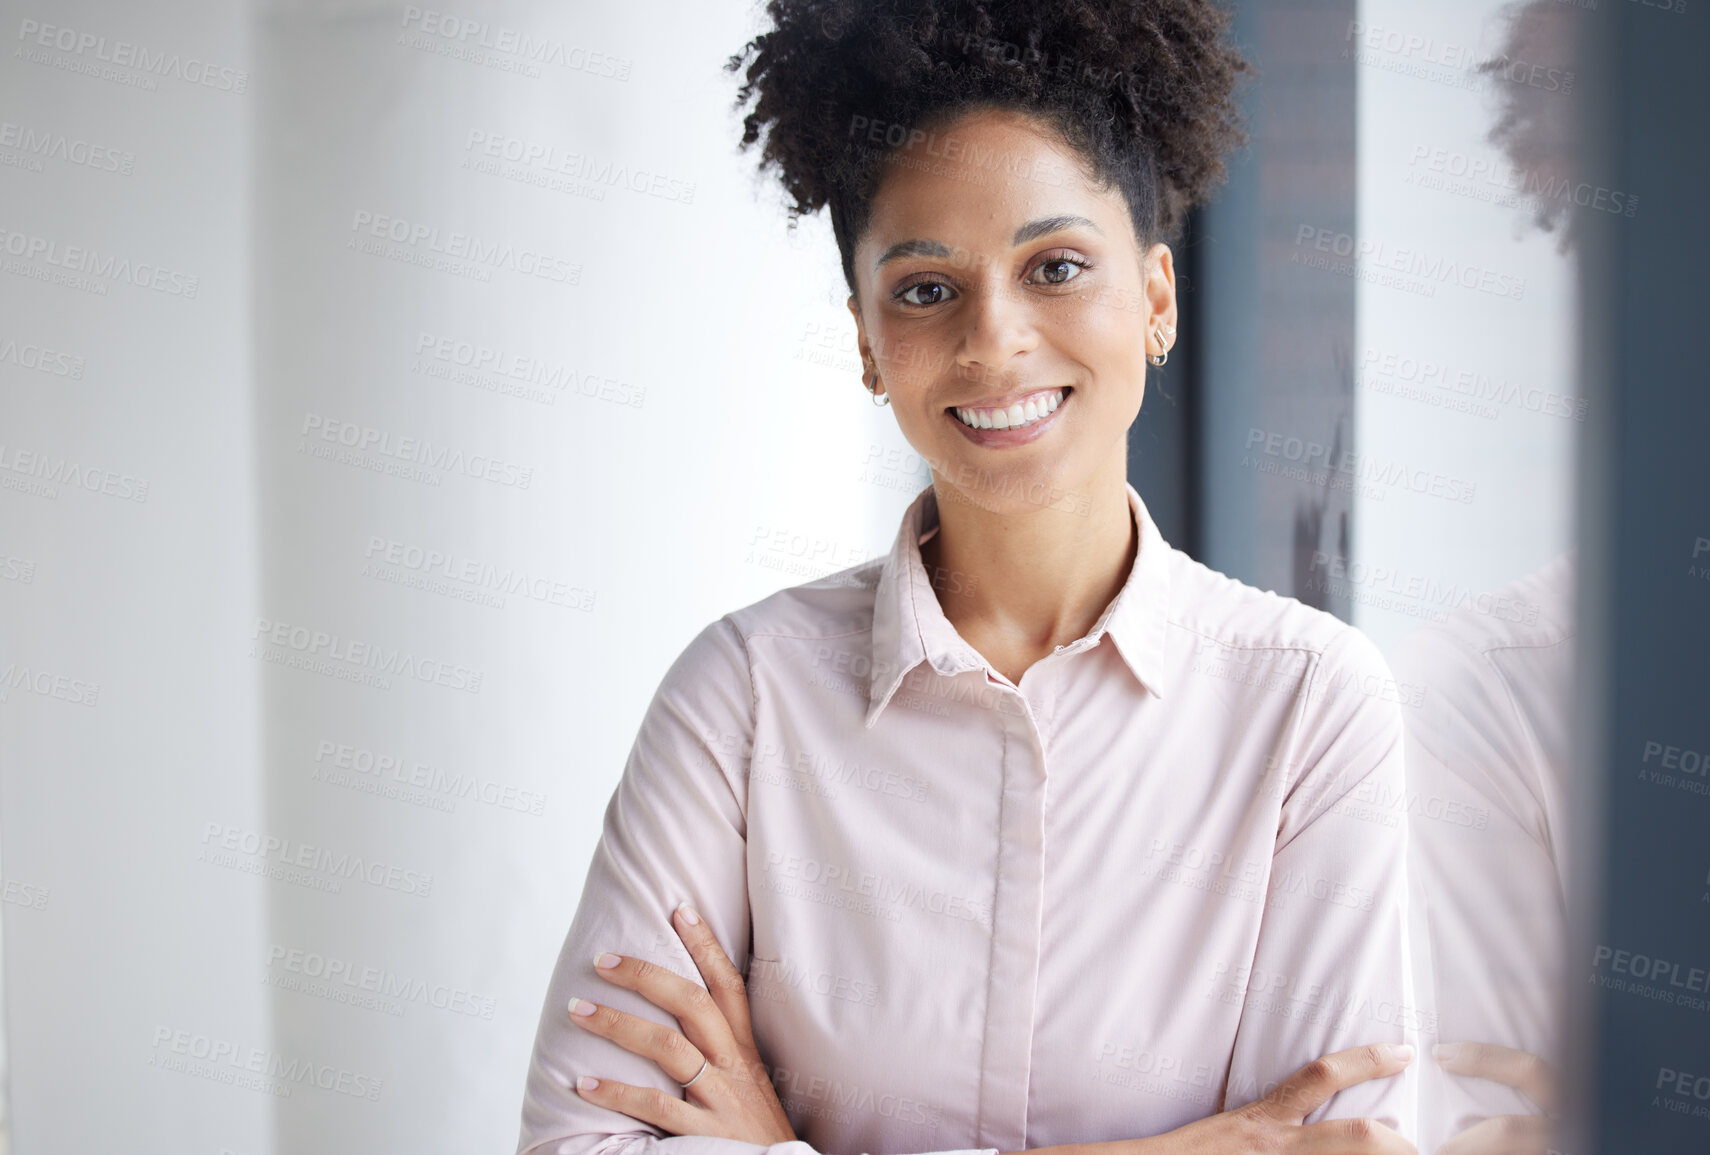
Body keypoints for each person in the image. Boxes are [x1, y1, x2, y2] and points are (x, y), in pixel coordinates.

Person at [519, 3, 1418, 1153]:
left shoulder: (1309, 709)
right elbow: (578, 1141)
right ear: (864, 340)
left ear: (1155, 299)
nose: (993, 343)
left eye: (1055, 267)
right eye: (927, 289)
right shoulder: (744, 698)